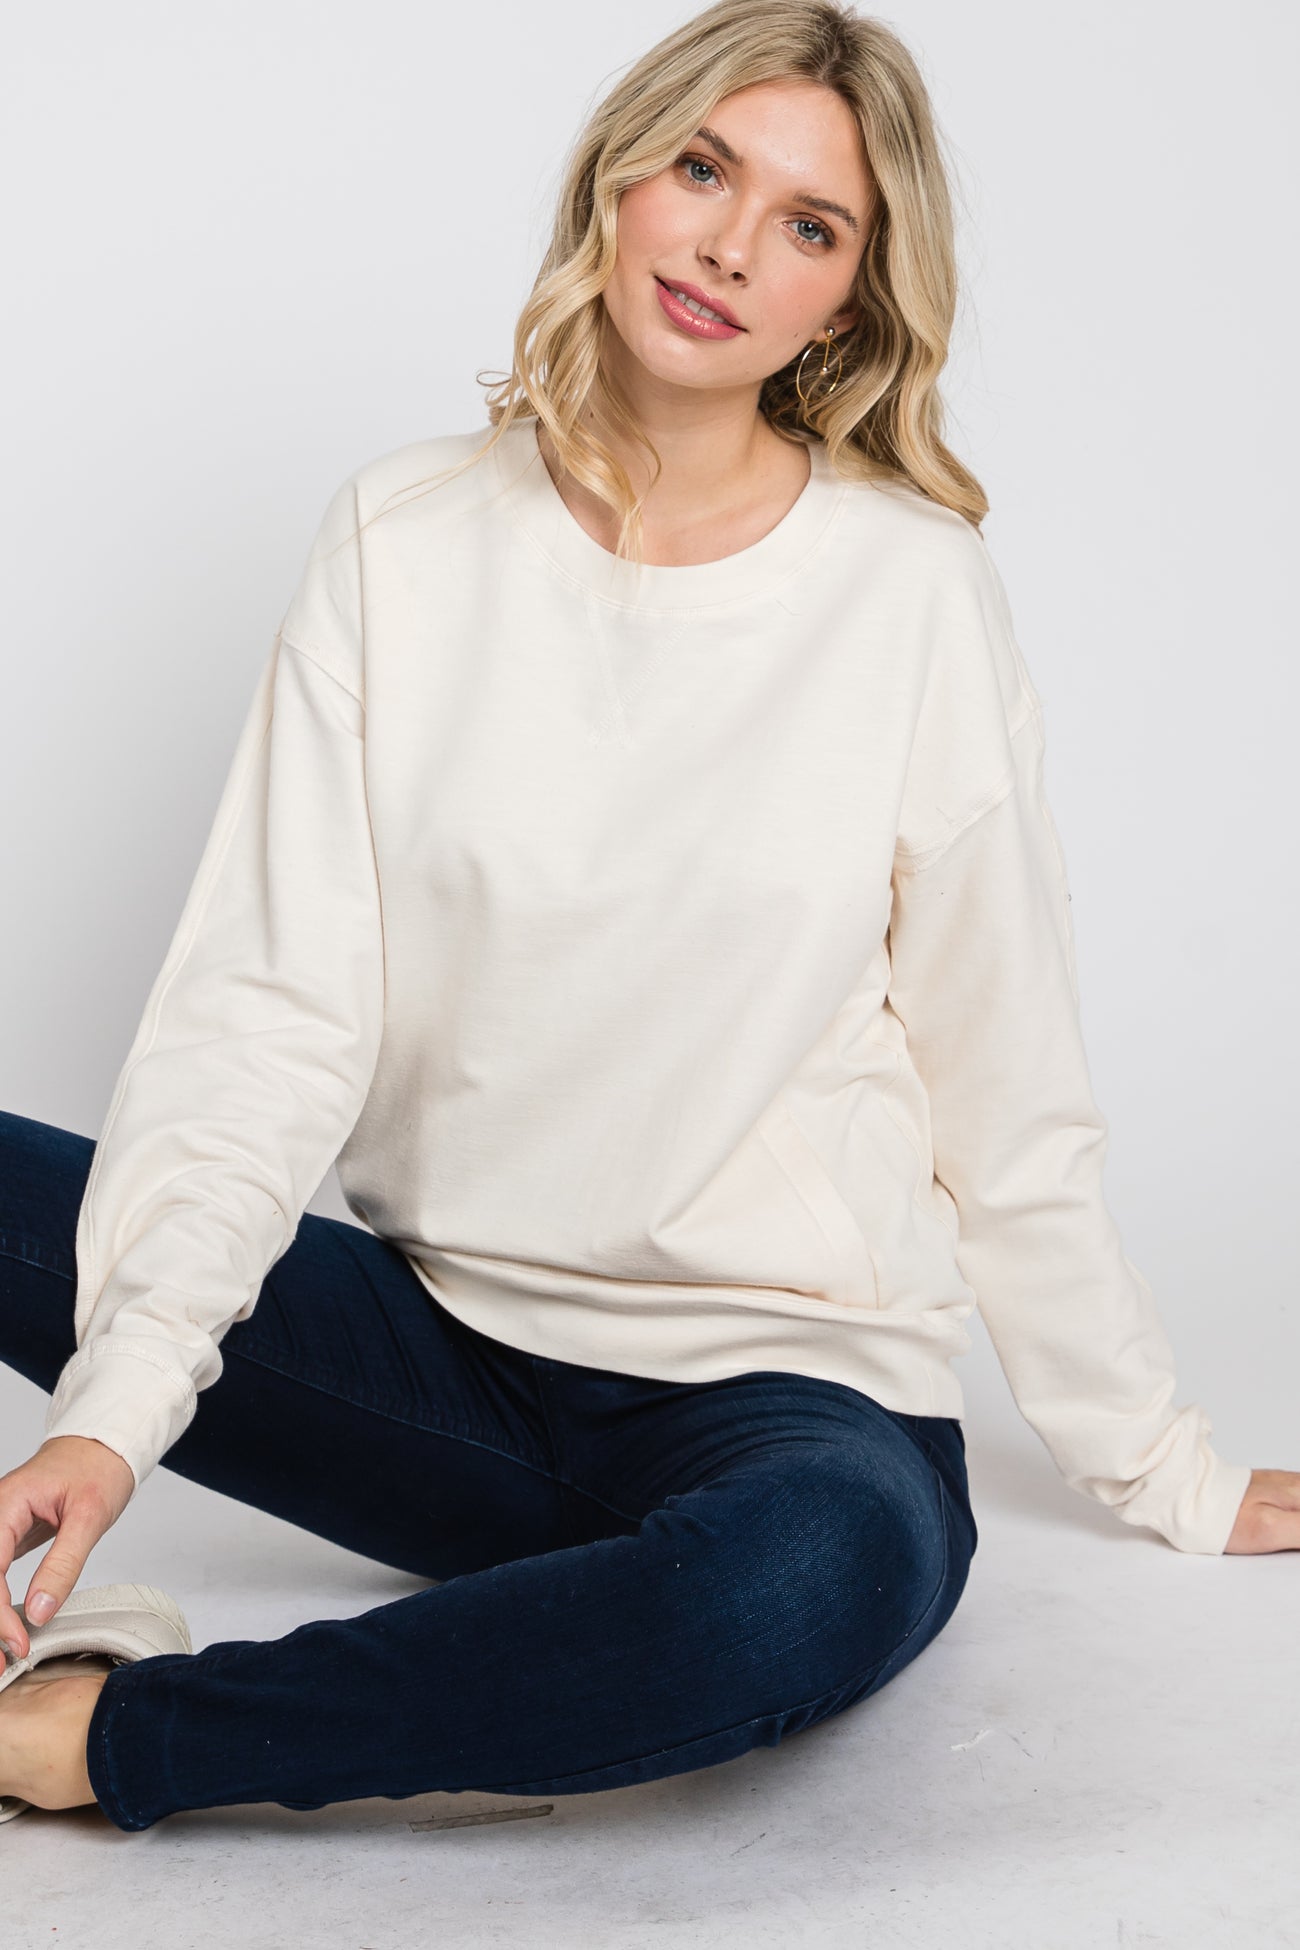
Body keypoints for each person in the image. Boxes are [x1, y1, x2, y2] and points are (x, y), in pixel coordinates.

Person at [1, 0, 1294, 1836]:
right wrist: (110, 1415)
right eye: (703, 169)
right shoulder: (401, 542)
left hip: (782, 1403)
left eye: (808, 224)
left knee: (796, 1587)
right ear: (619, 178)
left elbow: (1006, 1081)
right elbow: (268, 1020)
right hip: (438, 1364)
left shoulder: (910, 595)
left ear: (842, 303)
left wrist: (1163, 1462)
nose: (731, 246)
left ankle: (100, 1733)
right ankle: (498, 1622)